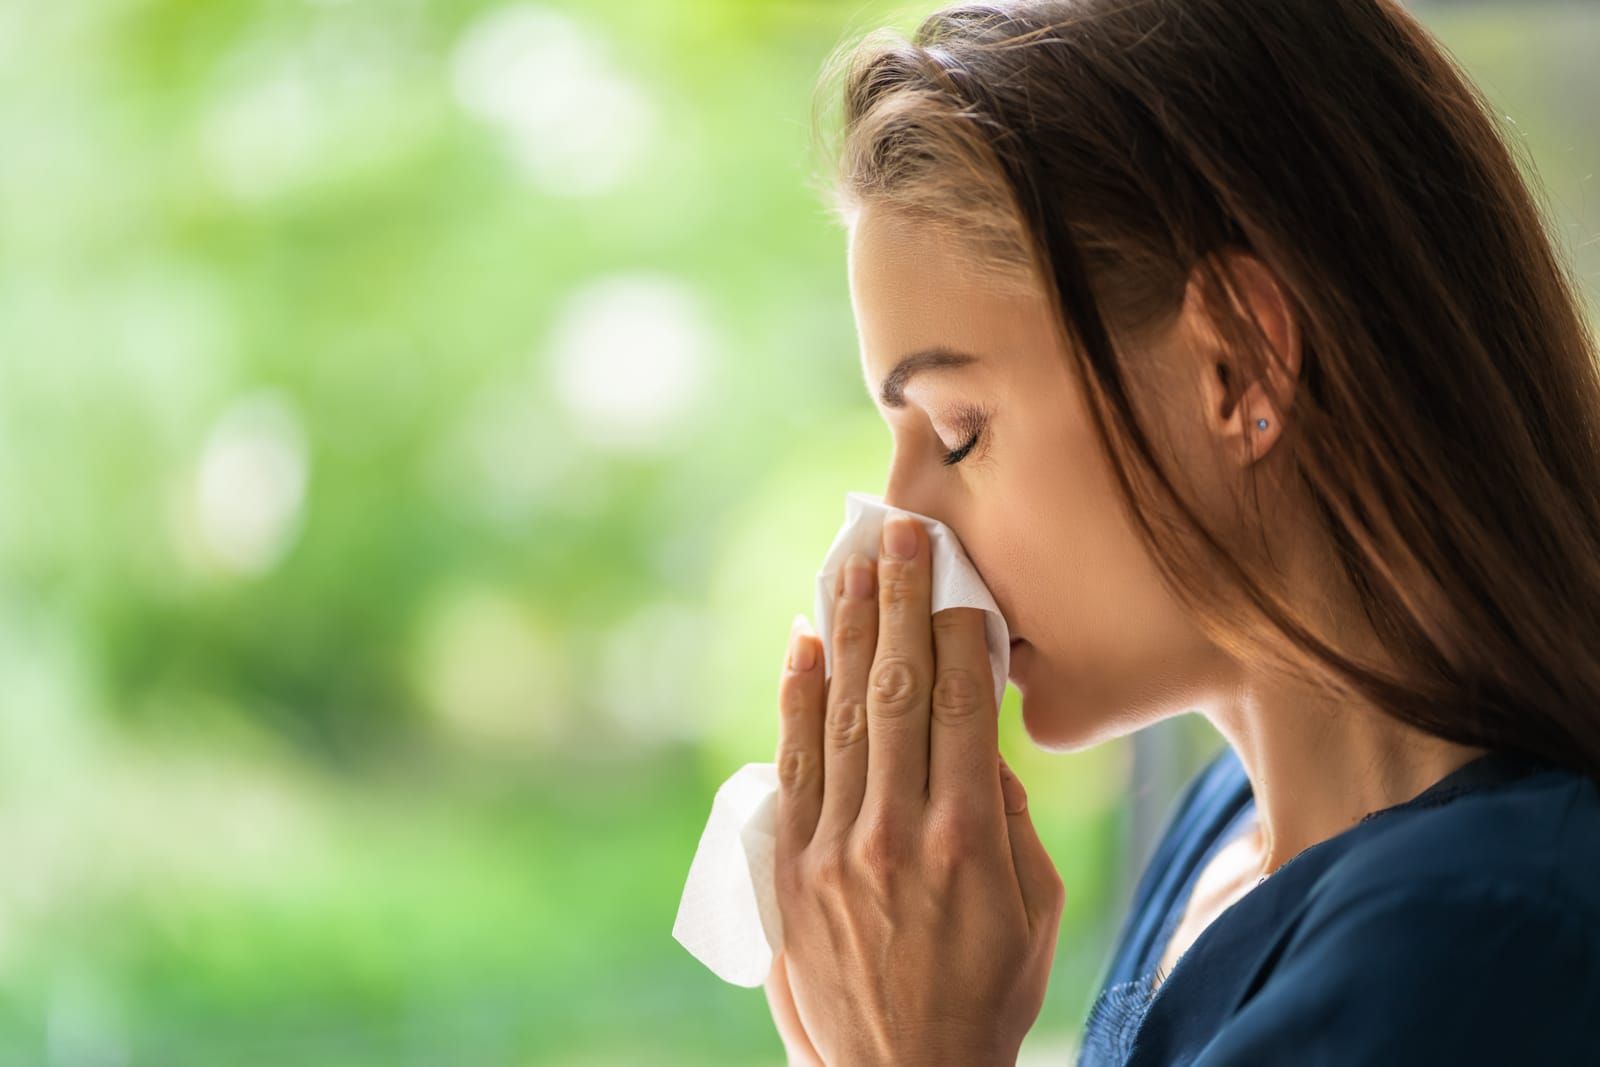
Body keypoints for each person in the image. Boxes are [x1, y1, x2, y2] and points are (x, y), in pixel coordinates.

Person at [761, 0, 1600, 1063]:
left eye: (959, 431)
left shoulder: (1472, 937)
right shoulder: (1228, 828)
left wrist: (914, 1046)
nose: (909, 526)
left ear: (1236, 366)